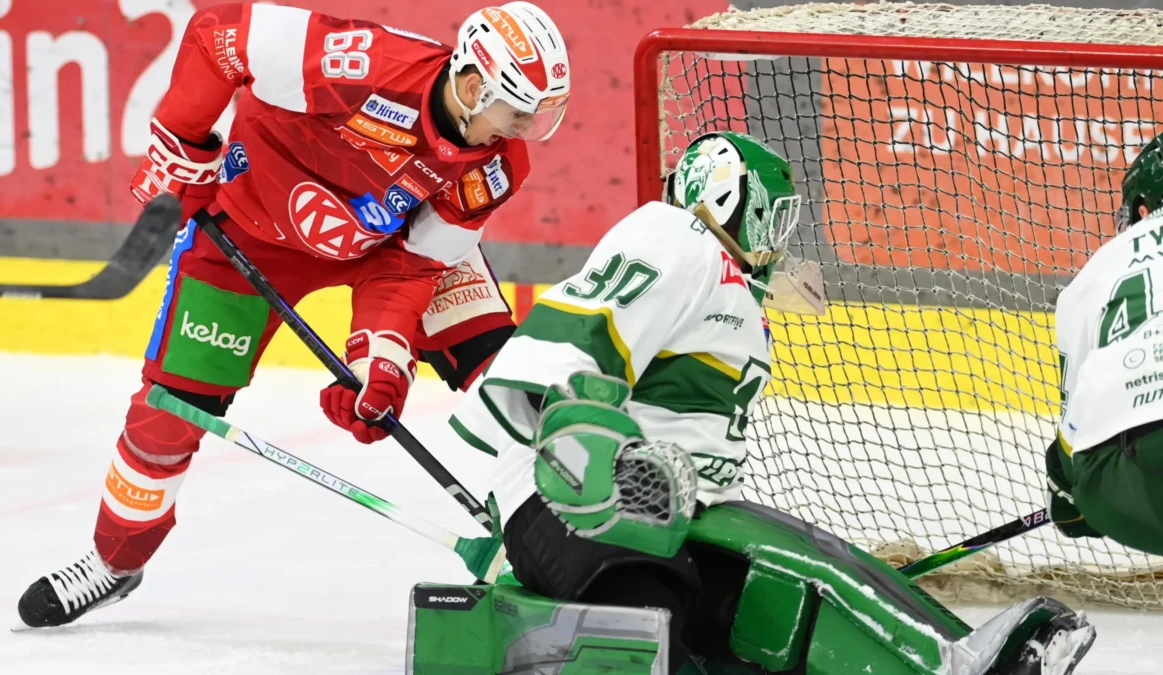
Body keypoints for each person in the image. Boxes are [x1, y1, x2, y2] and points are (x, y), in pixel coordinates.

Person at [444, 131, 1094, 675]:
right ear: (723, 195)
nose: (778, 235)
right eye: (771, 214)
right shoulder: (675, 236)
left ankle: (950, 656)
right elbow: (578, 332)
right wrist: (559, 462)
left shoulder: (724, 283)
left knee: (784, 593)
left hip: (671, 506)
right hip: (583, 500)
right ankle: (954, 659)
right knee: (656, 622)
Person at [16, 1, 569, 629]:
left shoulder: (496, 166)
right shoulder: (360, 64)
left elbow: (414, 267)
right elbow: (218, 36)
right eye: (520, 111)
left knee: (506, 376)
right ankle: (113, 561)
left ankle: (572, 536)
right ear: (473, 86)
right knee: (167, 414)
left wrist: (380, 361)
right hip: (251, 235)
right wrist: (186, 140)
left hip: (391, 248)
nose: (526, 129)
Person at [1047, 134, 1163, 557]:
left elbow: (1072, 422)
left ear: (1145, 209)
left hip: (1121, 484)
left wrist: (1065, 494)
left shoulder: (1103, 264)